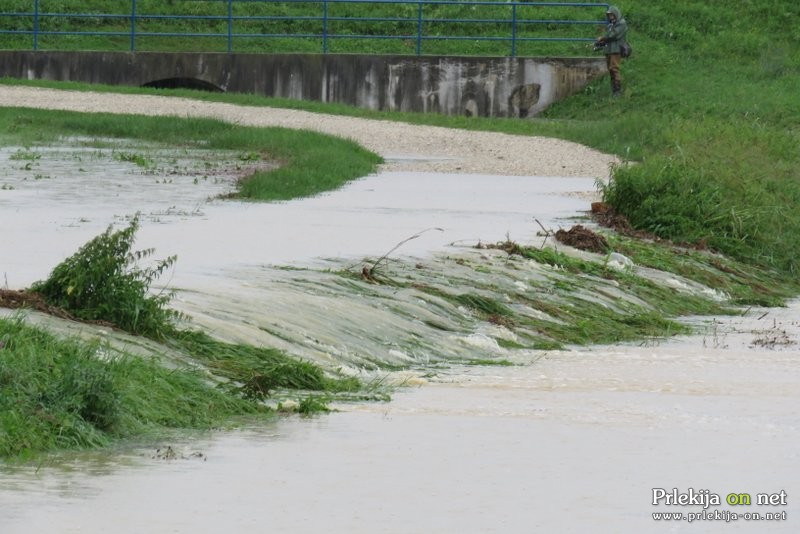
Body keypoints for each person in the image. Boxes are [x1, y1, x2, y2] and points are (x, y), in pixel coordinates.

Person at [595, 5, 629, 97]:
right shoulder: (611, 24)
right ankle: (614, 90)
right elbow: (608, 37)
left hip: (616, 50)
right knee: (610, 70)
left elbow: (614, 35)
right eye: (609, 15)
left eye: (612, 15)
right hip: (609, 49)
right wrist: (601, 43)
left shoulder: (622, 23)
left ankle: (617, 91)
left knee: (614, 69)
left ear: (616, 14)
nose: (610, 17)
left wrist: (603, 38)